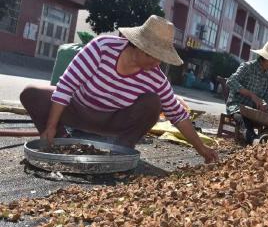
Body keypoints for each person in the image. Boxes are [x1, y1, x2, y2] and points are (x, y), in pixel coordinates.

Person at [20, 15, 218, 163]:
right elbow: (66, 86)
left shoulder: (156, 78)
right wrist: (52, 125)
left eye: (161, 57)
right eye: (153, 55)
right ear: (139, 46)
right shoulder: (102, 48)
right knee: (31, 93)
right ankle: (60, 140)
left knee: (153, 102)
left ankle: (122, 150)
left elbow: (178, 116)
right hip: (79, 111)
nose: (157, 62)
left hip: (114, 121)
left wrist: (201, 149)